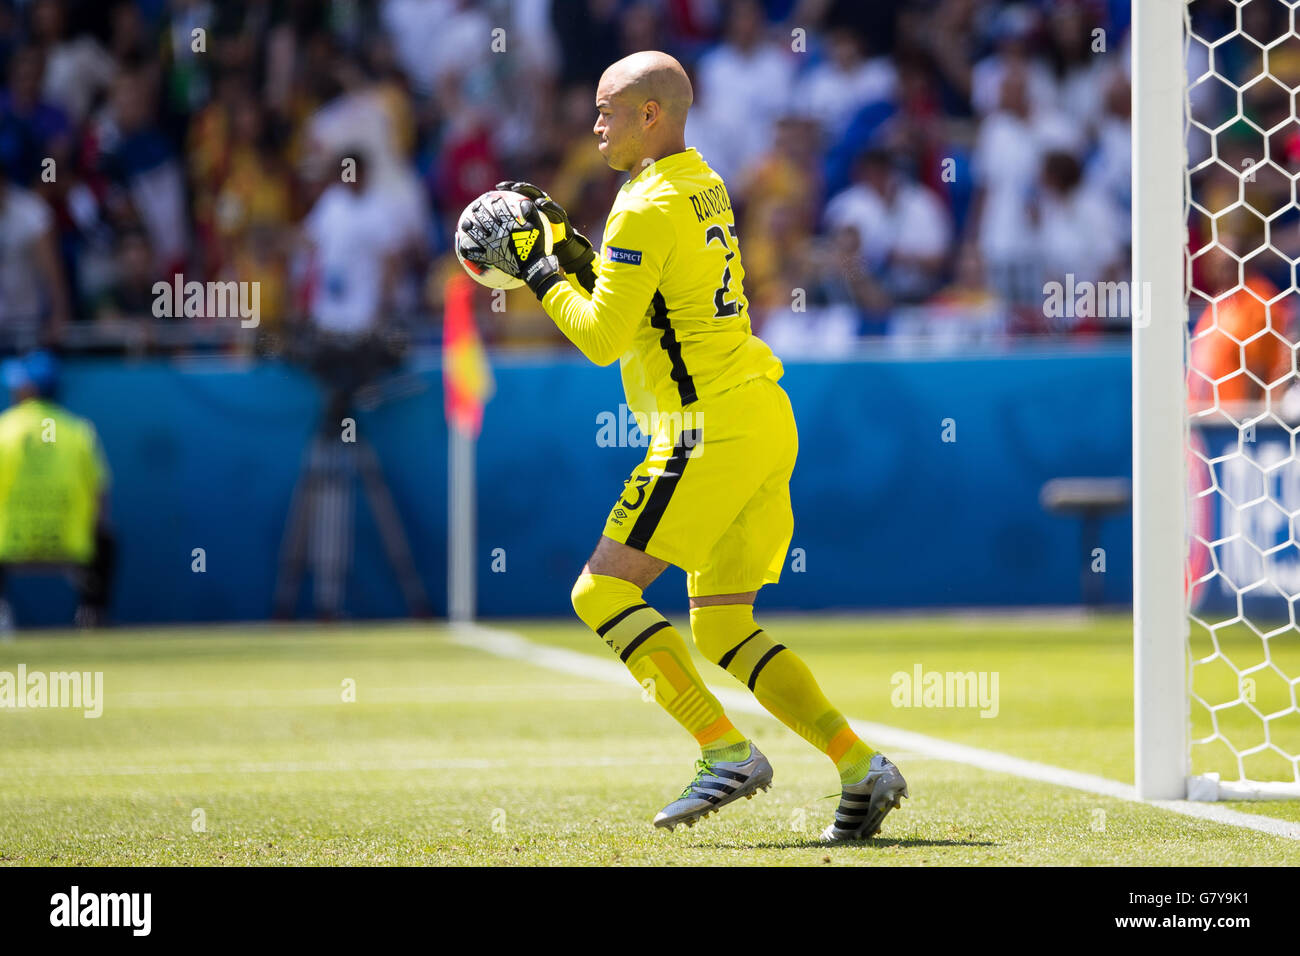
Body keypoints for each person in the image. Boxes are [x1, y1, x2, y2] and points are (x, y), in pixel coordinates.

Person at [457, 50, 908, 840]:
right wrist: (570, 253)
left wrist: (538, 268)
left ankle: (723, 750)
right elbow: (648, 305)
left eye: (606, 108)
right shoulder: (698, 180)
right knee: (724, 626)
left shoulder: (643, 206)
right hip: (761, 414)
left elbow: (602, 338)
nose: (593, 123)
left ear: (650, 115)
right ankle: (859, 764)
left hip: (707, 428)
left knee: (601, 593)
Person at [0, 351, 114, 631]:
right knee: (108, 542)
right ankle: (91, 617)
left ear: (30, 389)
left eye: (19, 384)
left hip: (8, 543)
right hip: (71, 543)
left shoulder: (4, 429)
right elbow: (101, 497)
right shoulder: (78, 432)